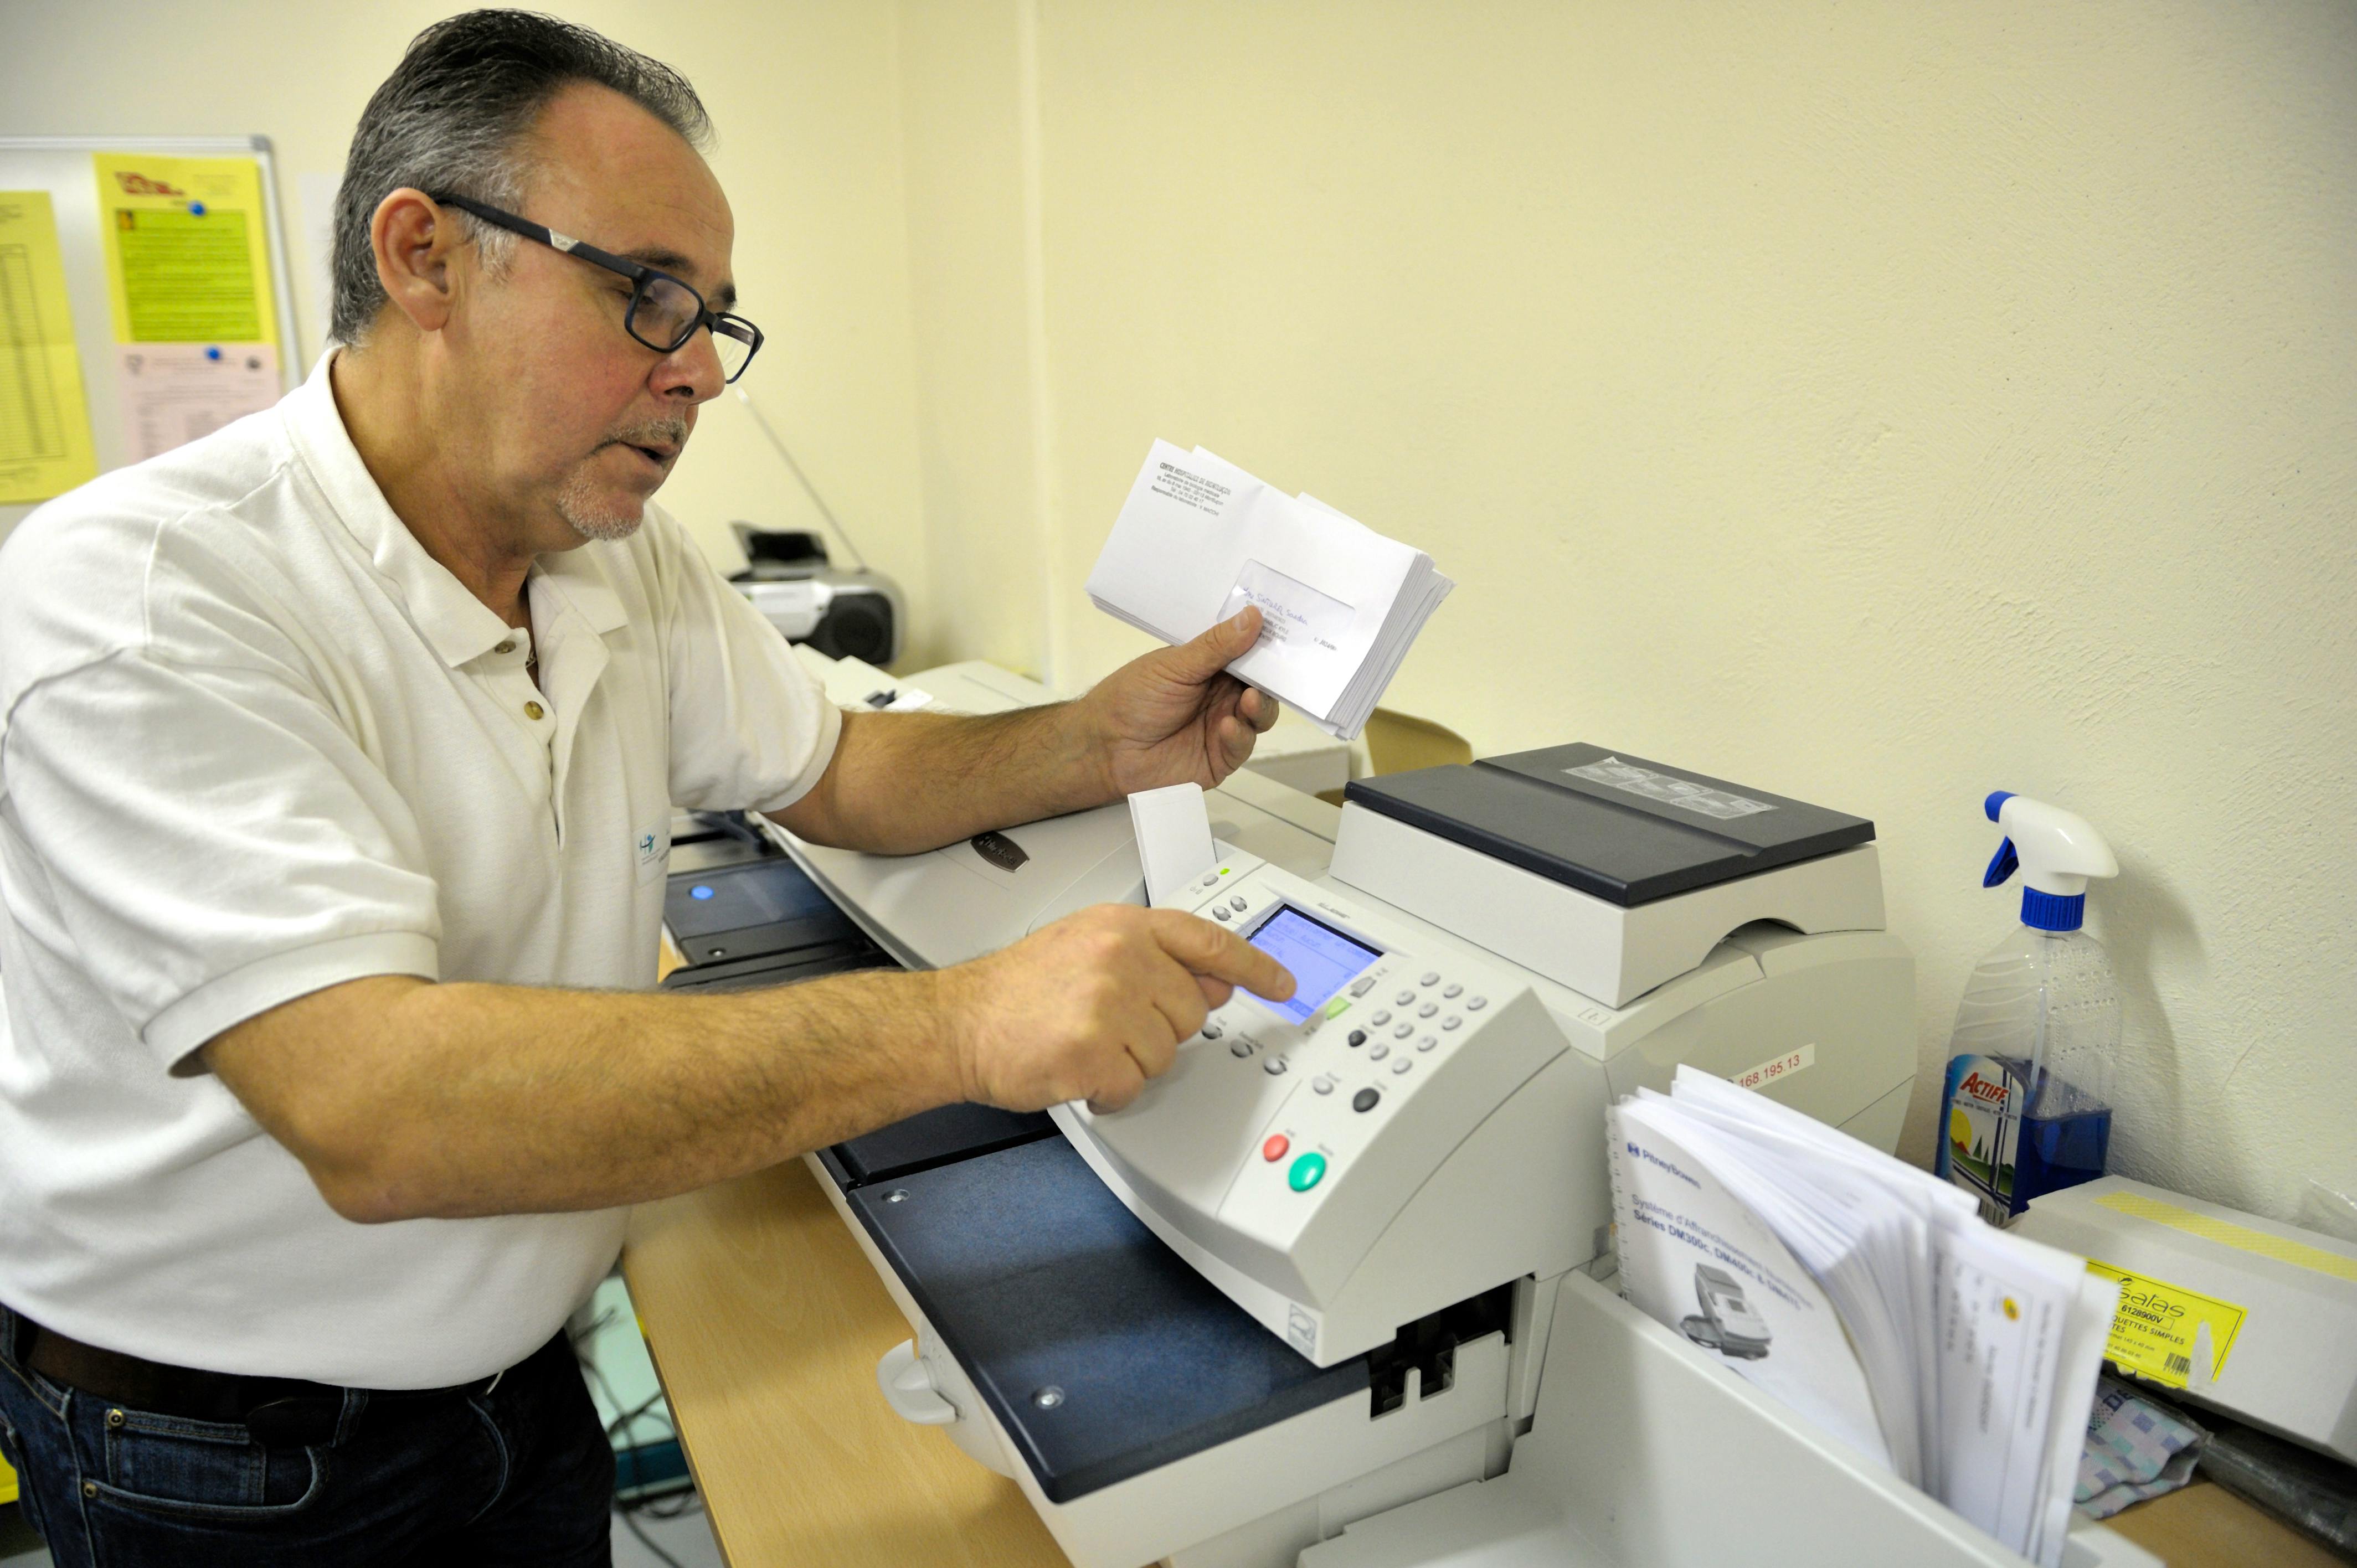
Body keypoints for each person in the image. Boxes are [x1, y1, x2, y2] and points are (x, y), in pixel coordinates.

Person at [0, 12, 1294, 1565]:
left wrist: (1094, 740)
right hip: (230, 1459)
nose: (698, 376)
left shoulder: (607, 553)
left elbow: (843, 768)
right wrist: (969, 1022)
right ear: (425, 257)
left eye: (715, 322)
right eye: (649, 299)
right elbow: (377, 1107)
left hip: (518, 1384)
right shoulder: (141, 597)